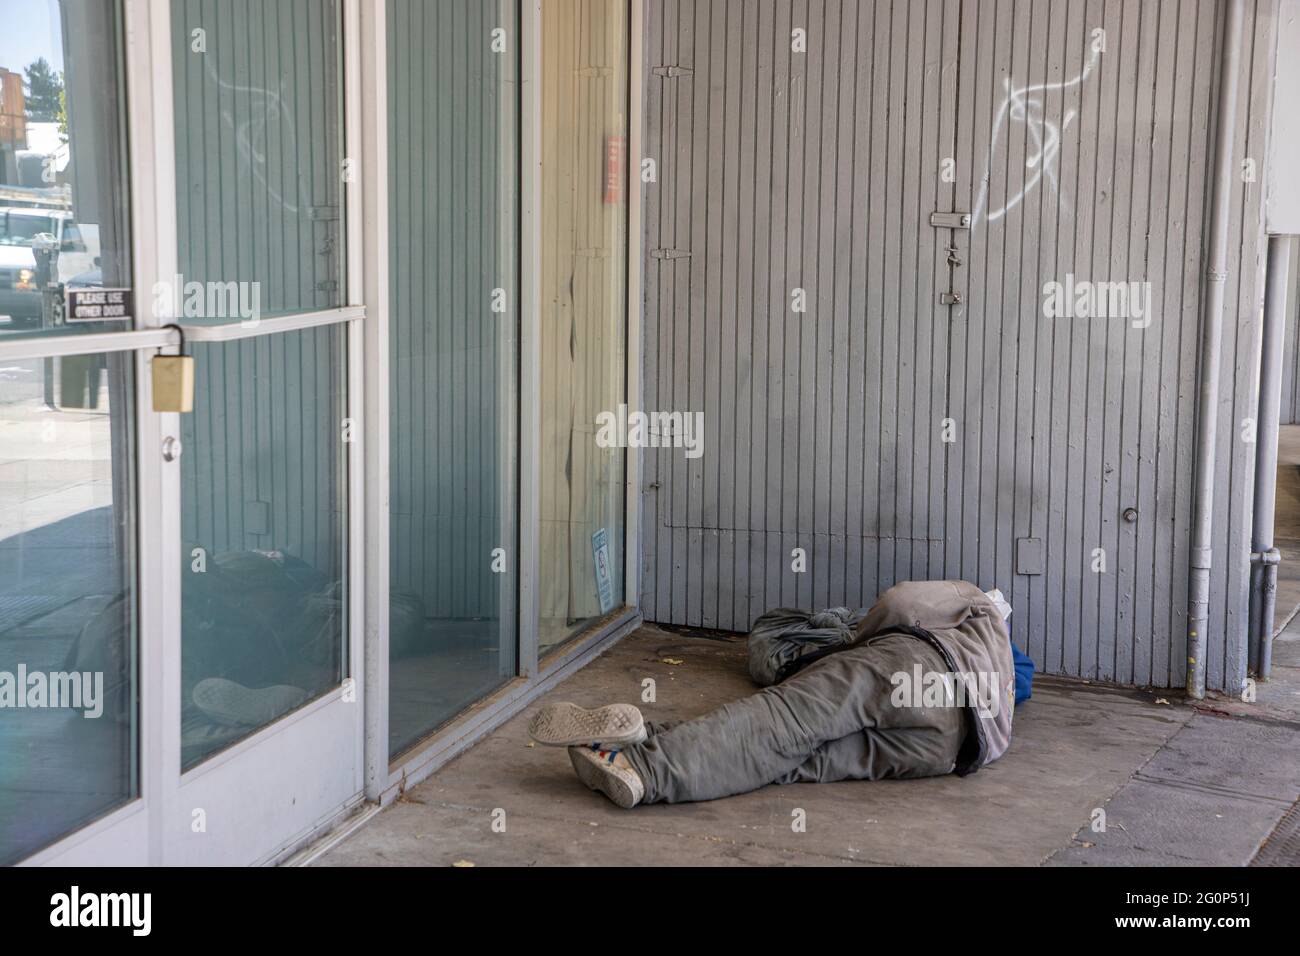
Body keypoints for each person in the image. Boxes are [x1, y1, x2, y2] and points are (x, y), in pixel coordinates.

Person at [528, 580, 1034, 808]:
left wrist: (860, 642)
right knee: (792, 759)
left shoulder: (971, 601)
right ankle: (636, 746)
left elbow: (901, 601)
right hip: (954, 748)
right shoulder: (1005, 663)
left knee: (781, 723)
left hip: (912, 666)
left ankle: (647, 769)